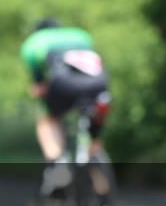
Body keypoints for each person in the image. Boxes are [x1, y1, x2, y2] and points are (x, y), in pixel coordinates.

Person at [20, 18, 110, 167]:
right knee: (95, 118)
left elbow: (39, 85)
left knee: (48, 120)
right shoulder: (80, 35)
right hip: (100, 83)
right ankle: (94, 151)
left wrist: (39, 91)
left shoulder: (34, 41)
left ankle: (57, 162)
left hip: (64, 83)